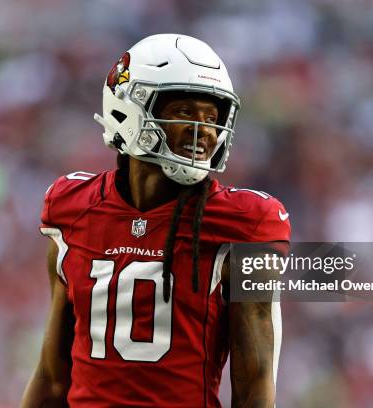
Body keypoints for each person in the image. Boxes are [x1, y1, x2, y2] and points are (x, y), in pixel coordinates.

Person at [21, 33, 291, 407]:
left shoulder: (244, 225)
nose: (205, 132)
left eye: (212, 117)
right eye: (183, 112)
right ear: (127, 108)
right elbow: (52, 377)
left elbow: (254, 386)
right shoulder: (74, 210)